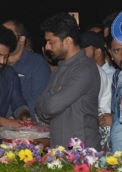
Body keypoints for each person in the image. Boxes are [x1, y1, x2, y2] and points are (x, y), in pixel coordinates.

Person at [36, 12, 101, 150]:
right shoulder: (59, 69)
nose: (47, 47)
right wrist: (52, 100)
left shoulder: (84, 69)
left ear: (67, 41)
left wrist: (51, 101)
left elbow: (50, 106)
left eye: (51, 42)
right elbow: (40, 110)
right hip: (60, 152)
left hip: (82, 155)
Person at [2, 20, 51, 122]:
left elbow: (39, 97)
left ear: (21, 39)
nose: (2, 38)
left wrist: (13, 117)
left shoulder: (37, 63)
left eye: (8, 34)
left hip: (24, 127)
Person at [79, 31, 112, 150]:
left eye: (83, 50)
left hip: (96, 134)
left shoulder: (94, 71)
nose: (79, 53)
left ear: (97, 52)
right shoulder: (89, 69)